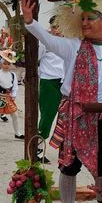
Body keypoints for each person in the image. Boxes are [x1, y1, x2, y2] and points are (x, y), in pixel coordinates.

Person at [21, 0, 102, 203]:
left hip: (101, 120)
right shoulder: (73, 47)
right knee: (69, 166)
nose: (86, 23)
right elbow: (48, 40)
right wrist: (30, 21)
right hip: (74, 118)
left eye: (91, 18)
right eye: (83, 19)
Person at [37, 16, 64, 163]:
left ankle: (66, 149)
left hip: (65, 82)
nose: (57, 30)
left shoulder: (69, 40)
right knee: (47, 116)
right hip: (49, 81)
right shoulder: (44, 40)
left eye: (59, 27)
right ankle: (38, 149)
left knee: (67, 117)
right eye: (55, 27)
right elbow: (37, 58)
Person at [0, 49, 24, 143]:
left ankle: (17, 133)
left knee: (15, 115)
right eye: (5, 63)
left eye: (8, 64)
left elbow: (15, 86)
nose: (7, 66)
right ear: (1, 63)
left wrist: (14, 94)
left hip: (8, 97)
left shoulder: (13, 75)